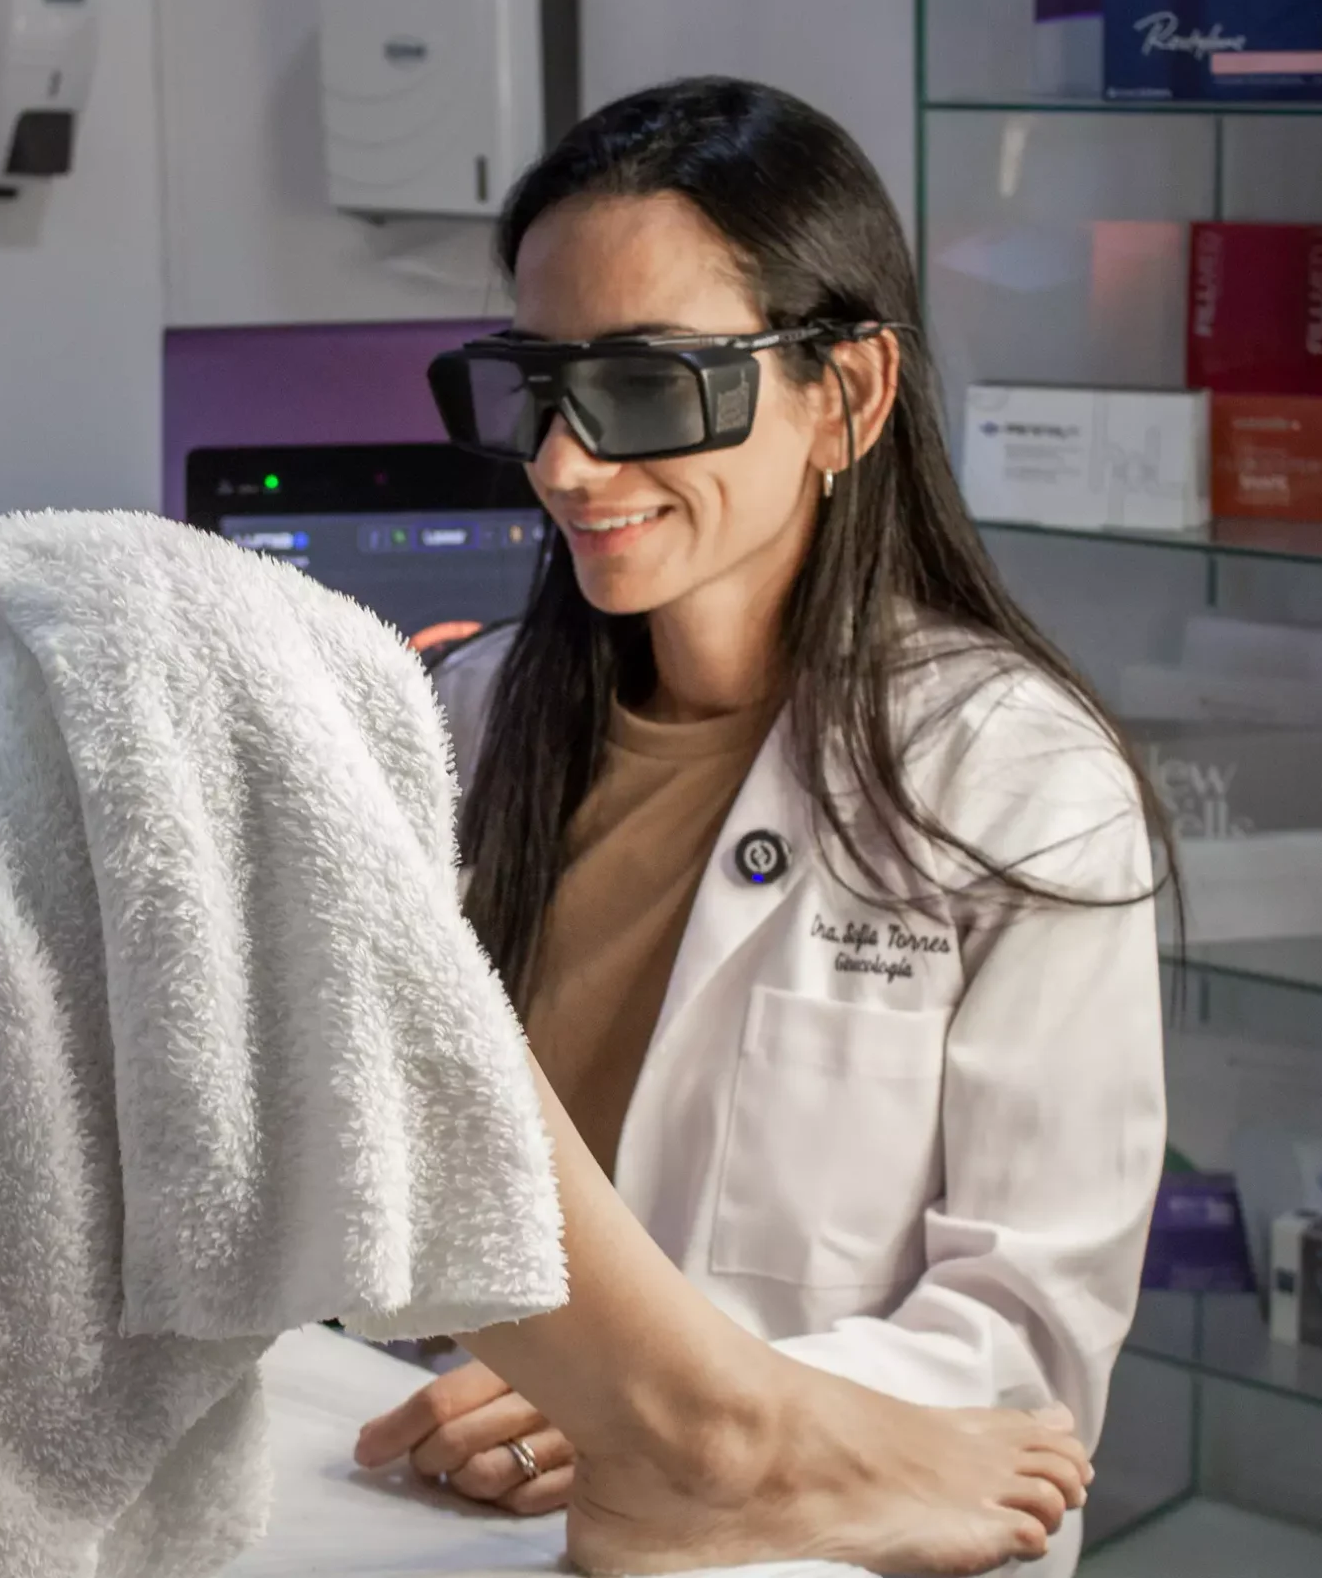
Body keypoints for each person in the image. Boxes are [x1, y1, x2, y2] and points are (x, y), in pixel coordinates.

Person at [354, 76, 1168, 1575]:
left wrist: (658, 1416)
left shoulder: (1015, 787)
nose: (564, 464)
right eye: (538, 386)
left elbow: (1027, 1353)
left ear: (847, 395)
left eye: (649, 385)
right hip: (417, 1501)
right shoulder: (455, 728)